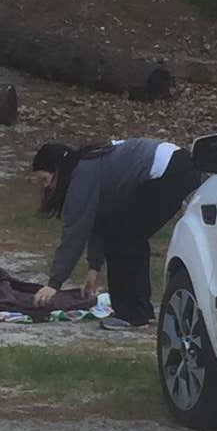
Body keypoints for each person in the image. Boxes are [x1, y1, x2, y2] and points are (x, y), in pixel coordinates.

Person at [29, 135, 205, 327]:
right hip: (174, 165)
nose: (45, 187)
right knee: (124, 235)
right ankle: (138, 312)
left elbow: (74, 234)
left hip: (170, 171)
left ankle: (132, 314)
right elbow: (100, 221)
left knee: (126, 239)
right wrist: (94, 267)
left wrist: (54, 284)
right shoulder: (86, 168)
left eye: (44, 179)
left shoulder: (81, 178)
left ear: (57, 169)